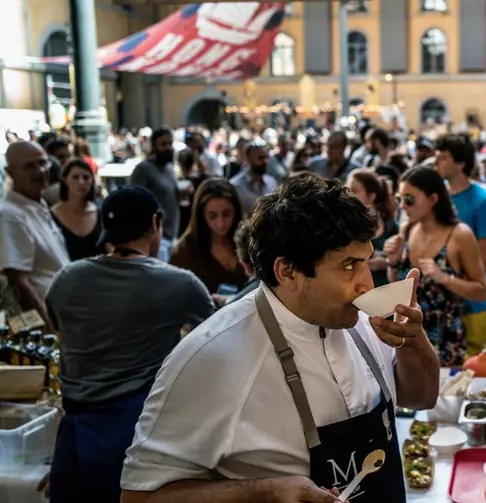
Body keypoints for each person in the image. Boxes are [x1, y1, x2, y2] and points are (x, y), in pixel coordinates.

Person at [120, 175, 440, 503]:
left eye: (366, 260)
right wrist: (265, 492)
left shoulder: (360, 321)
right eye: (348, 266)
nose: (366, 284)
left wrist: (413, 342)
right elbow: (139, 497)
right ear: (287, 272)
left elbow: (421, 398)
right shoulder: (211, 357)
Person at [46, 186, 215, 503]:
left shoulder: (66, 278)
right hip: (140, 436)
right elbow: (216, 344)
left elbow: (60, 328)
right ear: (154, 223)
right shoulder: (180, 284)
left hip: (74, 440)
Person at [385, 166, 486, 366]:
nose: (402, 206)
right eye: (399, 199)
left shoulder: (459, 235)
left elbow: (481, 292)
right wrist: (393, 261)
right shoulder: (407, 229)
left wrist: (445, 278)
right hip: (407, 338)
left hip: (444, 343)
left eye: (409, 199)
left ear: (433, 199)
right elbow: (400, 284)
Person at [434, 134, 486, 355]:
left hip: (470, 305)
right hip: (439, 304)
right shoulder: (436, 197)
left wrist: (452, 282)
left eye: (443, 158)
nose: (436, 162)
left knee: (470, 367)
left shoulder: (482, 200)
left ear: (461, 163)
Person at [0, 141, 69, 323]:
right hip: (48, 322)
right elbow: (18, 283)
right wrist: (48, 329)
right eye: (29, 166)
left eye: (43, 162)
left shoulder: (38, 205)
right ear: (10, 173)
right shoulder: (10, 215)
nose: (40, 170)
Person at [170, 179, 248, 298]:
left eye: (226, 214)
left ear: (236, 211)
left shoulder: (249, 241)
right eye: (212, 216)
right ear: (202, 216)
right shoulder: (184, 252)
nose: (220, 223)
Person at [130, 128, 182, 261]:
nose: (168, 148)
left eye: (170, 143)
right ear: (154, 147)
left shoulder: (169, 168)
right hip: (154, 238)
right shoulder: (143, 170)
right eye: (163, 144)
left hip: (172, 235)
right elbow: (134, 202)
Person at [346, 169, 398, 287]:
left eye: (354, 191)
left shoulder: (391, 226)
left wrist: (386, 264)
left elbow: (400, 266)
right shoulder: (344, 225)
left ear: (371, 196)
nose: (347, 195)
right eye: (347, 190)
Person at [51, 159, 103, 261]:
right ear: (65, 180)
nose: (81, 182)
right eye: (75, 177)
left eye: (86, 177)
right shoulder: (52, 216)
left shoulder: (100, 214)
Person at [229, 141, 277, 213]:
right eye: (260, 158)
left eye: (267, 157)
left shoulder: (272, 182)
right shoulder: (235, 186)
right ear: (248, 159)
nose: (265, 161)